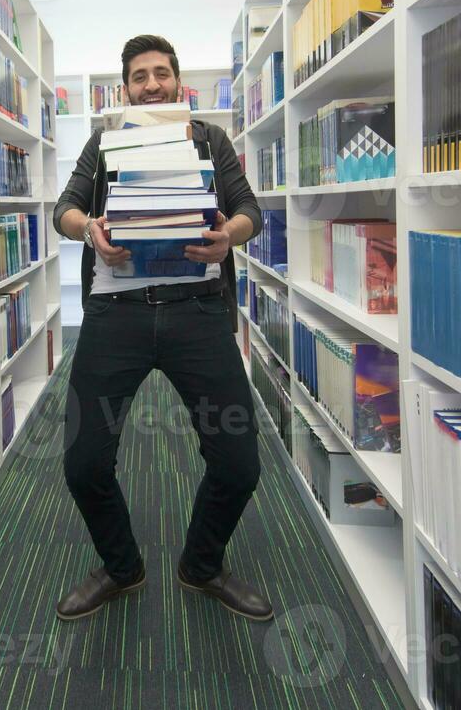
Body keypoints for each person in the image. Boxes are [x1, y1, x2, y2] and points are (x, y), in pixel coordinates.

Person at [51, 34, 272, 622]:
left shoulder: (210, 139)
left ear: (179, 83)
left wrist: (230, 237)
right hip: (114, 313)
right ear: (125, 89)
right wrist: (88, 228)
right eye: (140, 76)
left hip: (196, 312)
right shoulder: (103, 144)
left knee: (238, 462)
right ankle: (121, 566)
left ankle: (202, 564)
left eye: (161, 74)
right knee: (84, 462)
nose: (152, 84)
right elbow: (63, 210)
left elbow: (252, 210)